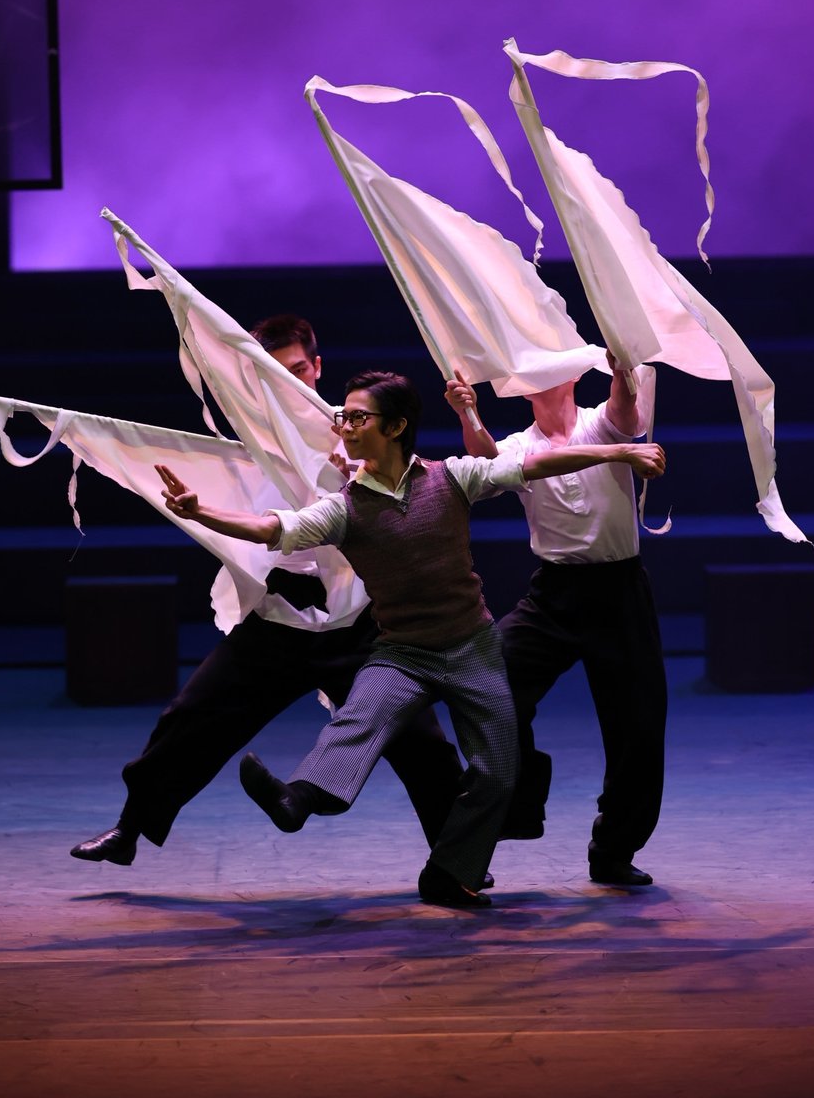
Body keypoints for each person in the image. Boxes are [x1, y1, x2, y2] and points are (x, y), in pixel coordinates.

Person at [158, 368, 666, 910]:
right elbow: (270, 528)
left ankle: (451, 874)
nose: (346, 427)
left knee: (498, 769)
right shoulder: (343, 508)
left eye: (357, 417)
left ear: (396, 426)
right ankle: (299, 797)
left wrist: (617, 455)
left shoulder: (451, 478)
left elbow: (536, 464)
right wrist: (201, 511)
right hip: (402, 654)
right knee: (360, 717)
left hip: (471, 648)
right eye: (342, 417)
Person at [70, 315, 464, 869]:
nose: (288, 382)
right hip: (278, 619)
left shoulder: (358, 430)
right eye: (274, 374)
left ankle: (457, 856)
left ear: (317, 367)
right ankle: (131, 828)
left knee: (417, 737)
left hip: (356, 623)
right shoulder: (253, 445)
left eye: (298, 370)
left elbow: (406, 488)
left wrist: (352, 467)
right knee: (190, 719)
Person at [446, 355, 668, 888]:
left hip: (619, 592)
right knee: (489, 687)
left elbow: (624, 409)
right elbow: (485, 464)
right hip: (554, 594)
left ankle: (614, 847)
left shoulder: (600, 423)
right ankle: (520, 801)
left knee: (638, 725)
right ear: (524, 392)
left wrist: (619, 370)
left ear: (571, 377)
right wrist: (467, 411)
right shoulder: (521, 445)